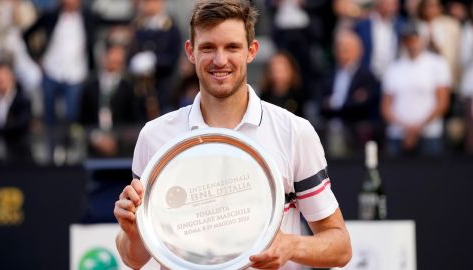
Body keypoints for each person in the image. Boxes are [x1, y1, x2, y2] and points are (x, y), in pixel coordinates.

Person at [113, 0, 352, 269]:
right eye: (208, 48)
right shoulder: (154, 137)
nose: (220, 60)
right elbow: (134, 258)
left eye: (232, 47)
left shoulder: (293, 132)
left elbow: (340, 247)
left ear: (252, 51)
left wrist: (292, 245)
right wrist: (132, 231)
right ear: (190, 52)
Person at [381, 21, 451, 156]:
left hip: (429, 134)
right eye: (407, 39)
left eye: (415, 38)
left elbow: (442, 103)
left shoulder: (437, 64)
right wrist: (406, 128)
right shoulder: (394, 68)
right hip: (397, 135)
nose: (412, 43)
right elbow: (386, 107)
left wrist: (416, 129)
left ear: (423, 39)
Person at [319, 30, 381, 157]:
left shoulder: (367, 77)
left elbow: (364, 106)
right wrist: (351, 102)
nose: (342, 52)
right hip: (332, 130)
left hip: (358, 132)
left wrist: (336, 104)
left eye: (347, 48)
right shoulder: (328, 75)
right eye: (339, 48)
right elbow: (321, 102)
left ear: (359, 51)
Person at [79, 44, 146, 158]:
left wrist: (116, 140)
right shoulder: (90, 87)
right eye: (112, 61)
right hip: (94, 146)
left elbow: (133, 120)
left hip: (121, 148)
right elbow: (83, 118)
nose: (114, 65)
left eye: (118, 62)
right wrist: (97, 139)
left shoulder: (129, 89)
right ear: (104, 59)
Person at [0, 60, 31, 163]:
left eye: (2, 75)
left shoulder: (22, 101)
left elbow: (21, 124)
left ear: (12, 77)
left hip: (18, 160)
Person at [260, 50, 305, 117]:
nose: (277, 75)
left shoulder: (299, 96)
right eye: (274, 70)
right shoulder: (264, 97)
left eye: (281, 70)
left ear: (291, 70)